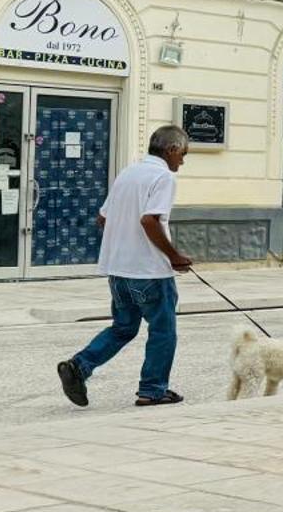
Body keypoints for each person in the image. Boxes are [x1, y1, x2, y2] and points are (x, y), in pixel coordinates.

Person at [55, 125, 192, 409]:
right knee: (163, 331)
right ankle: (152, 390)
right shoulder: (163, 177)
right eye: (183, 154)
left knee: (123, 328)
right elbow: (149, 221)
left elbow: (103, 218)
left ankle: (79, 366)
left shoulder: (128, 173)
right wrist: (175, 256)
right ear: (172, 150)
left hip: (118, 271)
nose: (183, 160)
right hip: (150, 272)